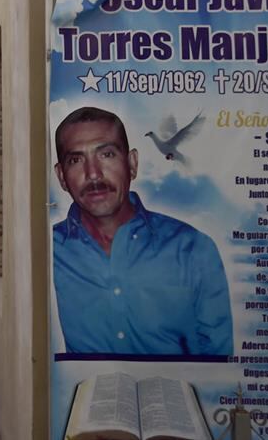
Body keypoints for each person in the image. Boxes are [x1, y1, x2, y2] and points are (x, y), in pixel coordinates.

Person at [52, 106, 232, 357]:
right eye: (76, 160)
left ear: (132, 164)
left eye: (106, 154)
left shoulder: (193, 249)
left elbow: (218, 364)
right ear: (61, 177)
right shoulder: (46, 253)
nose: (93, 173)